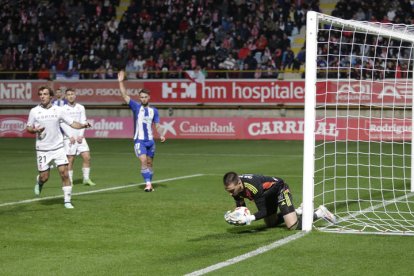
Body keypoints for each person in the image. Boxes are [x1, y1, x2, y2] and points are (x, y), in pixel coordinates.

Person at [26, 86, 91, 209]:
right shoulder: (34, 111)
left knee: (64, 173)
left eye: (45, 94)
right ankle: (40, 181)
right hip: (42, 149)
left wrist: (83, 125)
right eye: (40, 94)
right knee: (45, 177)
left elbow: (72, 123)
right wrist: (35, 130)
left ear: (51, 97)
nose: (42, 96)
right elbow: (28, 127)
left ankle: (67, 201)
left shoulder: (59, 110)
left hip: (58, 148)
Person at [223, 172, 336, 229]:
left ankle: (319, 212)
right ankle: (299, 211)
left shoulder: (253, 187)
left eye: (232, 190)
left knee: (292, 225)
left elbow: (263, 211)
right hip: (267, 195)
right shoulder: (236, 189)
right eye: (228, 190)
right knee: (270, 223)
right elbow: (241, 206)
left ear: (239, 183)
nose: (230, 193)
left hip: (279, 189)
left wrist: (248, 218)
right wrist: (237, 216)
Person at [117, 70, 166, 192]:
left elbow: (157, 125)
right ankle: (148, 184)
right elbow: (124, 95)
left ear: (149, 97)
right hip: (139, 140)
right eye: (141, 97)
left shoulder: (154, 111)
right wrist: (120, 82)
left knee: (149, 163)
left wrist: (161, 134)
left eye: (145, 97)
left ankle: (149, 183)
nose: (143, 99)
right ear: (139, 98)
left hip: (150, 141)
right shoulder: (136, 107)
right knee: (143, 161)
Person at [60, 88, 96, 186]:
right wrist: (70, 136)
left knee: (87, 157)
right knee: (70, 159)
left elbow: (84, 122)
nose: (70, 96)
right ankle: (70, 181)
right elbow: (62, 124)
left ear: (75, 95)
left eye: (72, 94)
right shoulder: (62, 109)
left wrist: (80, 135)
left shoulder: (81, 107)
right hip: (69, 138)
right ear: (66, 97)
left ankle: (86, 179)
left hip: (80, 137)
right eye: (68, 94)